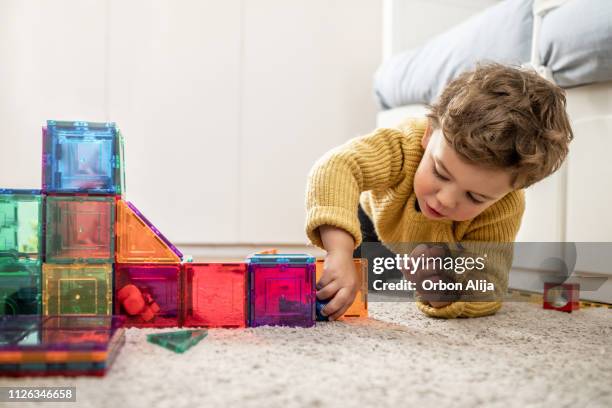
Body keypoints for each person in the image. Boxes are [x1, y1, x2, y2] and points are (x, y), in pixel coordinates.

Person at [305, 63, 573, 319]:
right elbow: (335, 166)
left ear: (512, 191)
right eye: (440, 172)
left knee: (402, 284)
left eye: (474, 197)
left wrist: (439, 291)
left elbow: (489, 286)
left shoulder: (503, 208)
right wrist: (339, 251)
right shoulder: (404, 143)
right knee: (345, 285)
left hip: (437, 256)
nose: (445, 199)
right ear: (429, 135)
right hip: (372, 225)